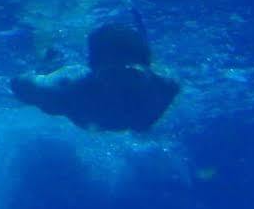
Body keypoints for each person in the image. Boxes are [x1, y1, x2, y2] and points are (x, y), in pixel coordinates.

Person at [10, 14, 181, 134]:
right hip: (69, 93)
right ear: (93, 68)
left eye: (129, 70)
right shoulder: (69, 89)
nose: (119, 84)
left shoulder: (165, 88)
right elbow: (23, 84)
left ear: (147, 67)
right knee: (51, 60)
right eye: (111, 73)